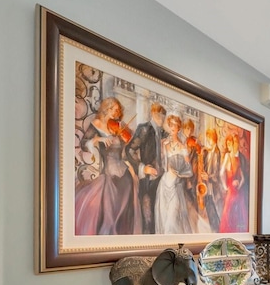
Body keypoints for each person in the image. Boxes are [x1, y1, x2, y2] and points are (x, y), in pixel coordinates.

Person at [74, 97, 141, 235]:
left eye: (118, 111)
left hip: (124, 173)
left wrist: (125, 138)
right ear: (107, 108)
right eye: (115, 110)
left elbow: (126, 151)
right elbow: (84, 143)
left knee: (125, 210)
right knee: (110, 213)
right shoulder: (96, 124)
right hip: (108, 174)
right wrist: (99, 139)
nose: (117, 114)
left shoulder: (119, 126)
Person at [125, 103, 167, 234]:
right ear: (154, 114)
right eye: (160, 117)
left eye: (163, 117)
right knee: (148, 217)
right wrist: (143, 168)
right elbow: (130, 150)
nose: (162, 120)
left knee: (161, 218)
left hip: (162, 180)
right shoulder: (144, 129)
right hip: (148, 179)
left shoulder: (164, 133)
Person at [154, 114, 193, 234]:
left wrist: (180, 174)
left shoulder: (182, 147)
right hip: (164, 183)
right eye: (170, 126)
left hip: (176, 185)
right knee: (163, 218)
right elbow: (163, 166)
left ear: (178, 129)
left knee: (172, 221)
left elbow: (189, 170)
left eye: (174, 126)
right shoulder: (164, 144)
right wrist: (163, 149)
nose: (172, 129)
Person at [219, 134, 248, 233]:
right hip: (231, 189)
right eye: (233, 143)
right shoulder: (228, 156)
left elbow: (243, 177)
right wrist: (225, 186)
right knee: (229, 211)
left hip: (237, 190)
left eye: (236, 142)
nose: (234, 145)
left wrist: (239, 184)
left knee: (238, 212)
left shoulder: (240, 158)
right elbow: (221, 173)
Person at [201, 128, 223, 232]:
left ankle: (216, 231)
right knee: (209, 206)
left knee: (213, 209)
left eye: (209, 137)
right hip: (208, 185)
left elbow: (217, 173)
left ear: (213, 138)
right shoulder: (210, 151)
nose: (207, 140)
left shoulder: (217, 152)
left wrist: (208, 177)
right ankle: (214, 230)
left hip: (213, 186)